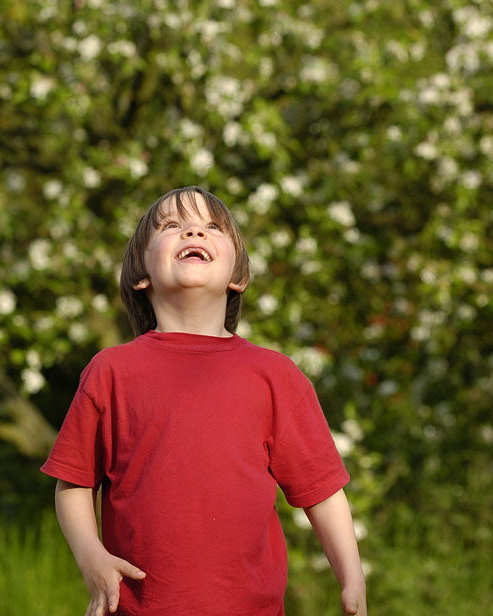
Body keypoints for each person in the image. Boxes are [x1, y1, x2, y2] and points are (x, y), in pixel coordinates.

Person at [41, 186, 367, 616]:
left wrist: (352, 576)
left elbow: (322, 492)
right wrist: (91, 557)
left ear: (239, 275)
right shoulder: (111, 371)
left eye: (213, 227)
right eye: (172, 226)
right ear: (141, 274)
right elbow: (74, 484)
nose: (194, 231)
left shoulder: (275, 376)